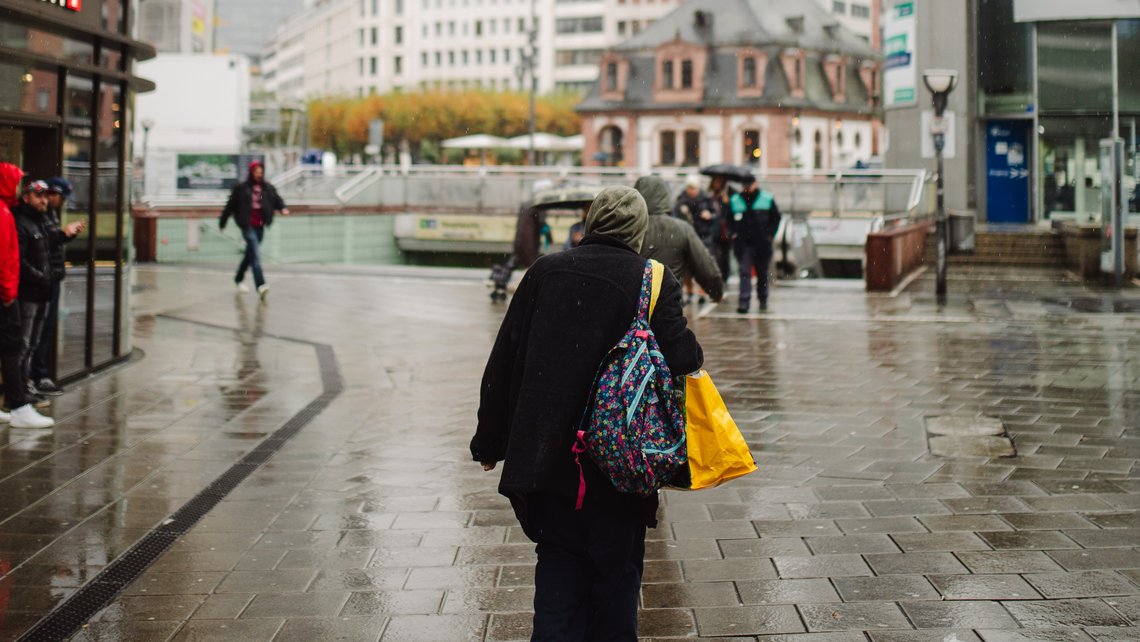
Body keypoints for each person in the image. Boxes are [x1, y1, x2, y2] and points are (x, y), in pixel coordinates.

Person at [472, 186, 702, 640]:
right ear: (637, 230)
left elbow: (504, 361)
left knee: (558, 575)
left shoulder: (544, 272)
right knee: (616, 581)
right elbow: (686, 360)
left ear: (592, 222)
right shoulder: (650, 279)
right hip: (617, 463)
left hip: (549, 459)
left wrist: (489, 441)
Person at [28, 178, 84, 396]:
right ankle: (36, 376)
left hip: (51, 278)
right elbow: (45, 244)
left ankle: (38, 375)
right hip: (44, 280)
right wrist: (63, 234)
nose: (56, 202)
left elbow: (52, 244)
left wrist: (66, 235)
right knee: (36, 332)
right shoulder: (39, 216)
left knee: (44, 329)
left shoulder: (48, 214)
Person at [7, 178, 55, 428]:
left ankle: (24, 387)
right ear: (26, 197)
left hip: (40, 292)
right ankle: (18, 394)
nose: (43, 200)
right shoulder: (18, 221)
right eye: (38, 196)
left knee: (32, 343)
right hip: (27, 293)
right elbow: (20, 260)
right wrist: (40, 278)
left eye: (45, 196)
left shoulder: (41, 221)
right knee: (22, 344)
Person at [633, 175, 724, 305]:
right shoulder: (681, 228)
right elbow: (704, 266)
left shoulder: (627, 226)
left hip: (633, 304)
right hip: (667, 304)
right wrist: (716, 291)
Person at [219, 160, 288, 300]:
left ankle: (238, 278)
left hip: (260, 225)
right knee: (255, 255)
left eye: (261, 172)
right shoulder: (242, 188)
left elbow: (273, 200)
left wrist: (282, 208)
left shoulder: (266, 189)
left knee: (250, 254)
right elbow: (231, 205)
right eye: (256, 172)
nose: (259, 175)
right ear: (251, 172)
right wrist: (223, 222)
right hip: (247, 225)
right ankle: (260, 284)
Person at [728, 175, 781, 313]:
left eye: (749, 185)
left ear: (755, 184)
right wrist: (732, 233)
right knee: (744, 272)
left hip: (762, 244)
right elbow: (728, 219)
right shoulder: (735, 200)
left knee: (762, 273)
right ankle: (743, 302)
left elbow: (776, 217)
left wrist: (770, 235)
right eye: (744, 185)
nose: (747, 188)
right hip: (743, 243)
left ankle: (763, 298)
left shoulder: (767, 198)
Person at [489, 189, 553, 302]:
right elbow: (542, 222)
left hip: (519, 241)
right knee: (534, 267)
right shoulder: (539, 204)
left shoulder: (526, 203)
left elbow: (521, 222)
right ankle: (532, 293)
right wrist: (549, 237)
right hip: (529, 243)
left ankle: (499, 282)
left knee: (513, 262)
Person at [673, 175, 720, 303]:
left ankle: (702, 292)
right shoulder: (681, 200)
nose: (691, 191)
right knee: (687, 267)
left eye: (693, 188)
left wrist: (710, 216)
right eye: (689, 188)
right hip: (686, 236)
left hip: (703, 236)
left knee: (703, 266)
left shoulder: (706, 199)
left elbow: (716, 216)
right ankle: (690, 291)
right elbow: (674, 216)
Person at [707, 176, 734, 282]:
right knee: (715, 256)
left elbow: (729, 213)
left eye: (719, 182)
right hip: (714, 231)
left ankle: (724, 278)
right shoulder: (710, 196)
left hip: (725, 231)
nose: (717, 184)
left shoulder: (729, 194)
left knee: (725, 257)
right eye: (715, 181)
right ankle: (718, 278)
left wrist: (726, 202)